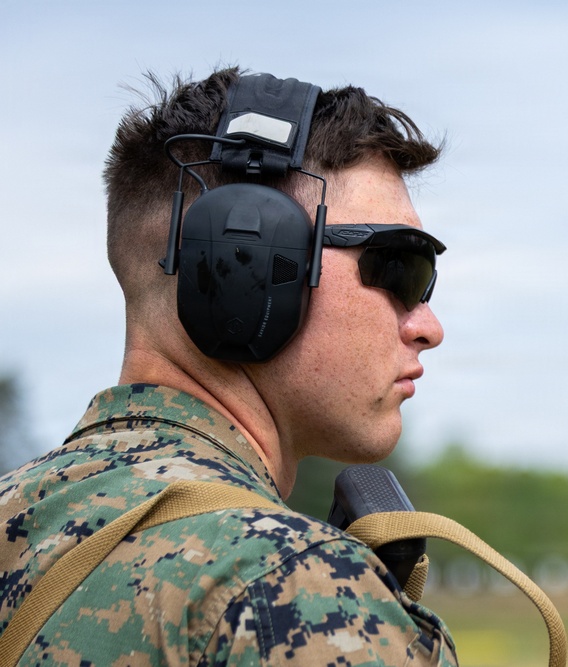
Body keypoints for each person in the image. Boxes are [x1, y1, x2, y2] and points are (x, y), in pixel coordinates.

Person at [0, 67, 457, 665]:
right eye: (398, 266)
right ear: (248, 266)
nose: (428, 327)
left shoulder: (15, 513)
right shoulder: (291, 586)